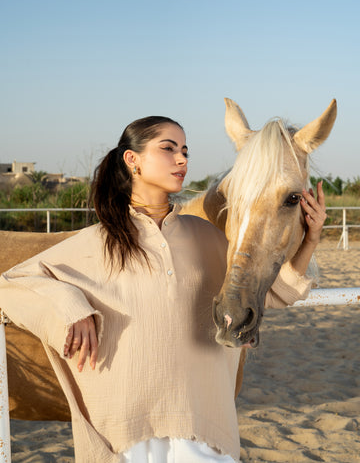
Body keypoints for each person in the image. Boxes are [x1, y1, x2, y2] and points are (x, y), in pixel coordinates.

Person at [0, 116, 327, 463]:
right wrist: (71, 308)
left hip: (202, 435)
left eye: (185, 150)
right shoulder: (97, 242)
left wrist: (311, 239)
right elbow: (10, 285)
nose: (182, 159)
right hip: (128, 442)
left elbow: (271, 294)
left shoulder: (208, 238)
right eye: (168, 149)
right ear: (133, 160)